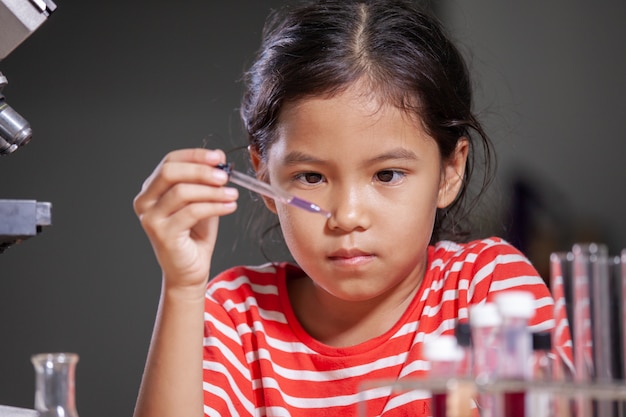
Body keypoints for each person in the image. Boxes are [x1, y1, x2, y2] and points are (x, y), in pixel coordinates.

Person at [132, 1, 568, 416]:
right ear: (263, 177)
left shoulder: (489, 289)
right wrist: (182, 287)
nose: (348, 217)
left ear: (450, 171)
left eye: (387, 175)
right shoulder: (234, 317)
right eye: (312, 177)